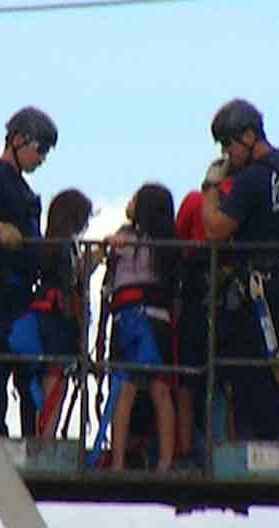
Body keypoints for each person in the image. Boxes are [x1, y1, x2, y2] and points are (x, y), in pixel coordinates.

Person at [200, 98, 279, 441]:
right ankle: (278, 433)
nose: (226, 153)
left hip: (259, 292)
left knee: (252, 371)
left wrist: (210, 188)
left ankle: (255, 438)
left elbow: (215, 230)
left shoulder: (251, 180)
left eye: (228, 144)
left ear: (248, 136)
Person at [0, 106, 57, 437]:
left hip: (24, 291)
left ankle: (32, 433)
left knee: (28, 368)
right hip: (0, 286)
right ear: (18, 140)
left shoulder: (23, 190)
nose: (41, 159)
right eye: (39, 149)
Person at [94, 183, 179, 471]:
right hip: (157, 322)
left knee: (125, 389)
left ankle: (117, 461)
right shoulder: (167, 243)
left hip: (130, 319)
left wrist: (109, 243)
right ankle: (165, 462)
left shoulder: (127, 238)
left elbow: (97, 264)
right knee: (160, 390)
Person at [8, 189, 94, 438]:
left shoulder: (46, 245)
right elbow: (70, 282)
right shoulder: (67, 246)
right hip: (60, 316)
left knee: (40, 376)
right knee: (57, 375)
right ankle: (47, 437)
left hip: (41, 312)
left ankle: (36, 432)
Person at [174, 190, 208, 459]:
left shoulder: (196, 200)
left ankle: (185, 449)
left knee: (186, 380)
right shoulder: (240, 198)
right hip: (233, 302)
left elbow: (176, 241)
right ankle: (222, 442)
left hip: (196, 297)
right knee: (227, 381)